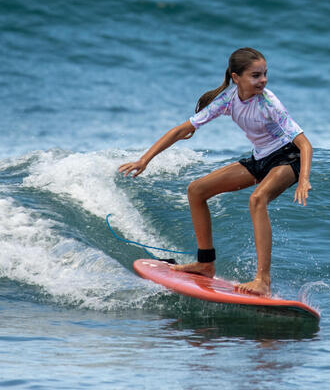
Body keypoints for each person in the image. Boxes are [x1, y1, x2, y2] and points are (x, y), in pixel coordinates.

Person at [118, 47, 312, 296]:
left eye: (264, 74)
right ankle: (205, 263)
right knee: (197, 190)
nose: (263, 80)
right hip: (260, 159)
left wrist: (303, 179)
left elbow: (305, 144)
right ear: (236, 77)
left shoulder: (269, 103)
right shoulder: (228, 100)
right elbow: (181, 129)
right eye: (255, 75)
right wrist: (144, 159)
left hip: (288, 158)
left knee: (257, 200)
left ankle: (263, 280)